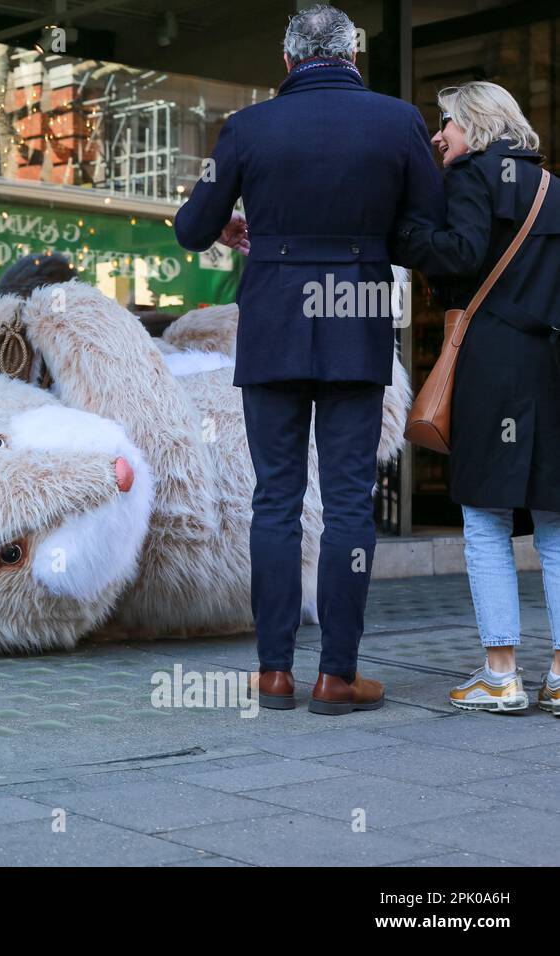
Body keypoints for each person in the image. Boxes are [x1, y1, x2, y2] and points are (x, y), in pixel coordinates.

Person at [173, 4, 444, 714]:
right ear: (354, 54)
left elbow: (192, 228)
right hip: (354, 317)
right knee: (350, 503)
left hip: (274, 323)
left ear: (287, 61)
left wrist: (238, 220)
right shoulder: (398, 122)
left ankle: (272, 673)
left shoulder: (248, 127)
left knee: (276, 501)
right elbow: (426, 233)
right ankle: (337, 675)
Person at [393, 82, 560, 715]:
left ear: (477, 126)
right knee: (555, 522)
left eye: (448, 124)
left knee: (485, 518)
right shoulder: (554, 190)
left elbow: (460, 252)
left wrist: (406, 237)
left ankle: (500, 672)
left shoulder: (471, 175)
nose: (441, 135)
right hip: (549, 362)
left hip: (492, 361)